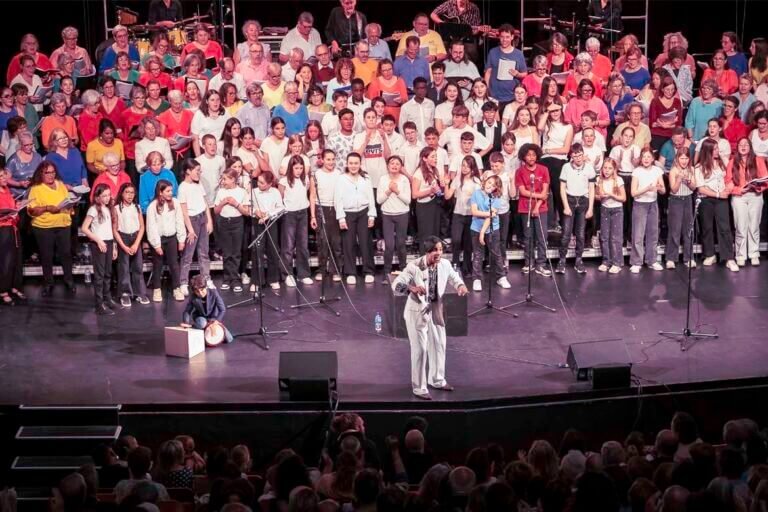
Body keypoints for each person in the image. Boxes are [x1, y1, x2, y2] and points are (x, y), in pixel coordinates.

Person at [391, 235, 468, 400]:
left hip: (435, 308)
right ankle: (419, 387)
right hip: (416, 311)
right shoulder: (414, 266)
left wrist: (460, 285)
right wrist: (411, 288)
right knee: (421, 350)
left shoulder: (445, 264)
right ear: (427, 252)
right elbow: (396, 284)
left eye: (440, 250)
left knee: (439, 344)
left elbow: (454, 278)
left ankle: (437, 380)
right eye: (435, 250)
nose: (438, 253)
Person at [27, 161, 75, 297]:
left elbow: (67, 201)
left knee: (66, 253)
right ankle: (48, 282)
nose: (51, 175)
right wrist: (48, 208)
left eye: (53, 172)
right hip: (44, 226)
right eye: (47, 172)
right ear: (41, 173)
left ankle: (69, 280)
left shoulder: (61, 185)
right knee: (47, 256)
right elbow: (32, 210)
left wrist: (71, 205)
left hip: (63, 224)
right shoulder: (36, 188)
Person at [694, 138, 738, 271]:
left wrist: (729, 187)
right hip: (707, 200)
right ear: (708, 151)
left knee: (725, 227)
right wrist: (717, 194)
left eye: (718, 148)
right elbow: (701, 188)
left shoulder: (723, 163)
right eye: (715, 149)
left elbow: (730, 178)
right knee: (707, 227)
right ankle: (710, 254)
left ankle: (729, 258)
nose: (718, 151)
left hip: (722, 200)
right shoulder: (699, 167)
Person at [335, 152, 376, 284]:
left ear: (360, 164)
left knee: (365, 242)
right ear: (347, 164)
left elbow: (371, 197)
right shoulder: (341, 179)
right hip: (348, 213)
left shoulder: (366, 178)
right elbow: (338, 200)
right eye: (351, 163)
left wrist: (372, 214)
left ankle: (368, 271)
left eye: (356, 163)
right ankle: (350, 272)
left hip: (364, 212)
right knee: (348, 243)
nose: (353, 166)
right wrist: (341, 218)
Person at [726, 137, 767, 267]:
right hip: (739, 197)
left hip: (755, 195)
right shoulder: (732, 162)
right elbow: (728, 181)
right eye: (741, 145)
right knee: (740, 226)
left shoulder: (758, 160)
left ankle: (754, 254)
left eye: (746, 144)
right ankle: (740, 255)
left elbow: (765, 179)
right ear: (737, 148)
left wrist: (757, 186)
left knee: (754, 226)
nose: (743, 146)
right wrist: (739, 190)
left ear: (750, 147)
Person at [556, 144, 596, 274]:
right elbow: (562, 188)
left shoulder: (589, 168)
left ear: (583, 154)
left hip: (583, 201)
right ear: (571, 156)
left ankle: (579, 259)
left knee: (580, 233)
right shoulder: (566, 167)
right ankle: (562, 260)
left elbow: (591, 189)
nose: (578, 158)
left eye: (580, 155)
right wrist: (566, 206)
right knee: (566, 233)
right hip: (570, 200)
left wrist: (590, 208)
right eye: (575, 155)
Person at [179, 157, 214, 295]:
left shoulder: (198, 184)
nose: (200, 173)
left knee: (204, 252)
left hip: (202, 219)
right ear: (188, 171)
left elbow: (205, 204)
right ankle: (183, 282)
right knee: (188, 255)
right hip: (192, 221)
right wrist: (190, 229)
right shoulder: (183, 188)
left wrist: (209, 220)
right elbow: (184, 211)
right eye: (197, 170)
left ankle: (206, 278)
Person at [470, 174, 510, 290]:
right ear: (485, 181)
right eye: (489, 182)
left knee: (496, 253)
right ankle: (477, 279)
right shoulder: (476, 193)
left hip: (492, 229)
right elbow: (474, 211)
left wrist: (483, 232)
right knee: (477, 254)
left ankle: (501, 277)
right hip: (476, 228)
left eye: (494, 185)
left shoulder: (496, 198)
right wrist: (489, 214)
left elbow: (490, 218)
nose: (490, 186)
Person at [81, 184, 117, 315]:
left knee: (108, 273)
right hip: (99, 244)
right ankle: (99, 304)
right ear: (97, 197)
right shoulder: (93, 210)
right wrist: (98, 240)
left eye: (108, 195)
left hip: (108, 242)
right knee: (100, 275)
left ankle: (107, 299)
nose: (107, 198)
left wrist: (114, 247)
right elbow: (85, 228)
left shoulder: (108, 209)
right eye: (104, 196)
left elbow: (110, 230)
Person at [112, 182, 149, 307]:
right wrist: (123, 245)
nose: (129, 195)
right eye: (127, 192)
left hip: (135, 237)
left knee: (138, 266)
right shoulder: (117, 208)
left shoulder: (137, 207)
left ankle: (139, 292)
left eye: (132, 192)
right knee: (124, 267)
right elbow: (115, 229)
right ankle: (125, 293)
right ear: (122, 193)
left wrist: (136, 243)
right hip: (123, 237)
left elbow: (142, 226)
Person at [629, 148, 665, 273]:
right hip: (640, 205)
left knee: (653, 233)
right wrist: (647, 189)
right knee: (638, 234)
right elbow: (633, 192)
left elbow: (663, 190)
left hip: (653, 204)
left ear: (653, 158)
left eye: (648, 157)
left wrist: (659, 188)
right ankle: (636, 262)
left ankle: (652, 260)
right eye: (644, 157)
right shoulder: (637, 171)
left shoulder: (657, 170)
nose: (646, 159)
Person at [214, 168, 250, 292]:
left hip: (237, 222)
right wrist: (223, 203)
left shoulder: (242, 192)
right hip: (224, 222)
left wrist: (235, 204)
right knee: (227, 252)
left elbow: (246, 212)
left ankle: (235, 279)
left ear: (233, 179)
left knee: (236, 252)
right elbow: (216, 211)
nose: (223, 181)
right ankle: (227, 278)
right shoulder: (221, 192)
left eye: (225, 179)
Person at [279, 155, 313, 287]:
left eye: (301, 168)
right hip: (289, 214)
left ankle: (303, 274)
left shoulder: (305, 180)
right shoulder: (284, 181)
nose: (299, 170)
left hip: (302, 213)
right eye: (296, 168)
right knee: (288, 246)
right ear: (290, 168)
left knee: (303, 245)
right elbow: (279, 197)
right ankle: (287, 274)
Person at [377, 155, 411, 281]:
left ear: (401, 167)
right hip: (387, 215)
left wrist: (396, 191)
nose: (395, 166)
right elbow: (379, 200)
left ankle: (403, 271)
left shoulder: (404, 180)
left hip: (402, 214)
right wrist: (388, 191)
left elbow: (407, 200)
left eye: (397, 164)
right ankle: (387, 272)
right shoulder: (383, 179)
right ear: (388, 166)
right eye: (392, 163)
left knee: (401, 244)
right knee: (389, 245)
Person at [311, 150, 343, 282]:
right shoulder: (316, 175)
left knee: (336, 242)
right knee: (322, 242)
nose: (331, 162)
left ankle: (335, 270)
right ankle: (322, 269)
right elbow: (312, 196)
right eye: (328, 159)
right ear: (322, 160)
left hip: (335, 209)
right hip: (321, 209)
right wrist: (313, 216)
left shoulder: (338, 174)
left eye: (333, 159)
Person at [446, 154, 481, 275]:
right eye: (463, 165)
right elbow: (447, 196)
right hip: (458, 214)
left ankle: (467, 267)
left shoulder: (477, 182)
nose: (464, 168)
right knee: (456, 240)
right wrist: (446, 184)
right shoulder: (457, 179)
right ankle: (455, 265)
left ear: (472, 168)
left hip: (471, 215)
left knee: (468, 243)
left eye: (467, 166)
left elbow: (480, 200)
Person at [251, 171, 284, 290]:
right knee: (257, 251)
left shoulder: (275, 192)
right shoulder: (254, 192)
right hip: (258, 222)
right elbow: (250, 206)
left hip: (271, 223)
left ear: (270, 184)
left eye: (262, 183)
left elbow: (281, 207)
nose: (258, 184)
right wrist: (256, 212)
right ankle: (257, 281)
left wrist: (268, 215)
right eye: (258, 181)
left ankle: (273, 279)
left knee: (273, 249)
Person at [665, 149, 696, 269]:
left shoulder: (691, 169)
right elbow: (673, 189)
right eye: (682, 158)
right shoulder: (673, 171)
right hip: (676, 200)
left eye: (686, 158)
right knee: (675, 230)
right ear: (677, 158)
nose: (684, 161)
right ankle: (671, 258)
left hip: (687, 199)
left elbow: (694, 187)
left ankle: (689, 257)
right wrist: (678, 179)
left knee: (688, 229)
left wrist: (688, 181)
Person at [181, 274, 234, 343]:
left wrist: (216, 322)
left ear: (206, 287)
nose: (200, 293)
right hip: (201, 318)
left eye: (202, 290)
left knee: (229, 339)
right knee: (202, 323)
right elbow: (187, 311)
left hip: (213, 318)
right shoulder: (193, 297)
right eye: (197, 291)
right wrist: (186, 323)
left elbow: (222, 309)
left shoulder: (214, 293)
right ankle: (195, 327)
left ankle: (203, 329)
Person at [484, 25, 527, 106]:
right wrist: (487, 90)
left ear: (512, 37)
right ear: (499, 37)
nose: (504, 40)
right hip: (494, 96)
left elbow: (525, 73)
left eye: (507, 37)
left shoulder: (518, 54)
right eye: (502, 37)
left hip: (512, 97)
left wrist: (517, 74)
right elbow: (488, 72)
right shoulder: (493, 52)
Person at [595, 158, 625, 273]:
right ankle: (606, 261)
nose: (607, 171)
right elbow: (597, 196)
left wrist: (612, 194)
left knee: (615, 237)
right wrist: (600, 196)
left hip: (616, 210)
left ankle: (616, 262)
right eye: (605, 168)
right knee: (604, 237)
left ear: (614, 169)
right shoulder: (599, 179)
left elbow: (623, 198)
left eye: (609, 168)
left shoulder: (619, 180)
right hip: (604, 209)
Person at [0, 169, 24, 305]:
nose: (4, 178)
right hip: (3, 229)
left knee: (16, 258)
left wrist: (17, 206)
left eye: (4, 175)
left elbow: (11, 207)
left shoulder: (7, 190)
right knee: (5, 261)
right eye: (1, 176)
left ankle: (14, 286)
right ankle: (3, 290)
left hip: (13, 227)